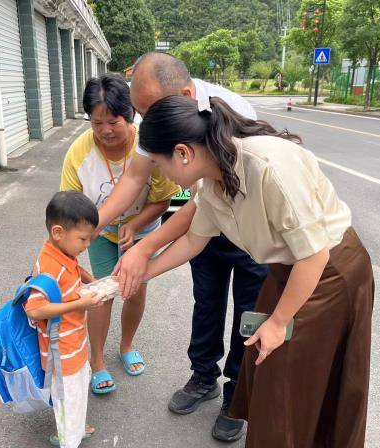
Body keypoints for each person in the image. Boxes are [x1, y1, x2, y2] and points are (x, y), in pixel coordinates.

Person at [137, 95, 375, 447]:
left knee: (289, 378)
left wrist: (279, 322)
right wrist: (138, 275)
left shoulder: (268, 166)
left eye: (159, 163)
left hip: (331, 275)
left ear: (183, 153)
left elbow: (314, 256)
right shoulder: (212, 182)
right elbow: (193, 241)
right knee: (270, 374)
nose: (161, 173)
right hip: (285, 272)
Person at [97, 53, 267, 441]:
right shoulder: (158, 119)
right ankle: (204, 375)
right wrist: (94, 226)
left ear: (187, 94)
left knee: (250, 313)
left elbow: (202, 200)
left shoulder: (233, 118)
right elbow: (137, 180)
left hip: (254, 233)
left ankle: (238, 394)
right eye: (140, 114)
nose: (146, 124)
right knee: (206, 301)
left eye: (149, 111)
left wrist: (145, 249)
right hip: (205, 220)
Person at [60, 74, 179, 394]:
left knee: (134, 290)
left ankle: (126, 346)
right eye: (96, 123)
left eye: (113, 121)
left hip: (142, 232)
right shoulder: (79, 153)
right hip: (99, 233)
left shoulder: (148, 147)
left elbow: (163, 200)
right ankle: (96, 360)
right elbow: (70, 205)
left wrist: (136, 224)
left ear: (130, 116)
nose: (105, 131)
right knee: (101, 294)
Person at [23, 191, 105, 448]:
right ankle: (69, 437)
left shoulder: (64, 253)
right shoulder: (48, 266)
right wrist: (81, 304)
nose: (87, 245)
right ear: (58, 232)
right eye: (83, 239)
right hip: (61, 354)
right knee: (68, 398)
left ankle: (76, 428)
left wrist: (88, 279)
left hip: (75, 345)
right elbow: (34, 310)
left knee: (79, 391)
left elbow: (73, 268)